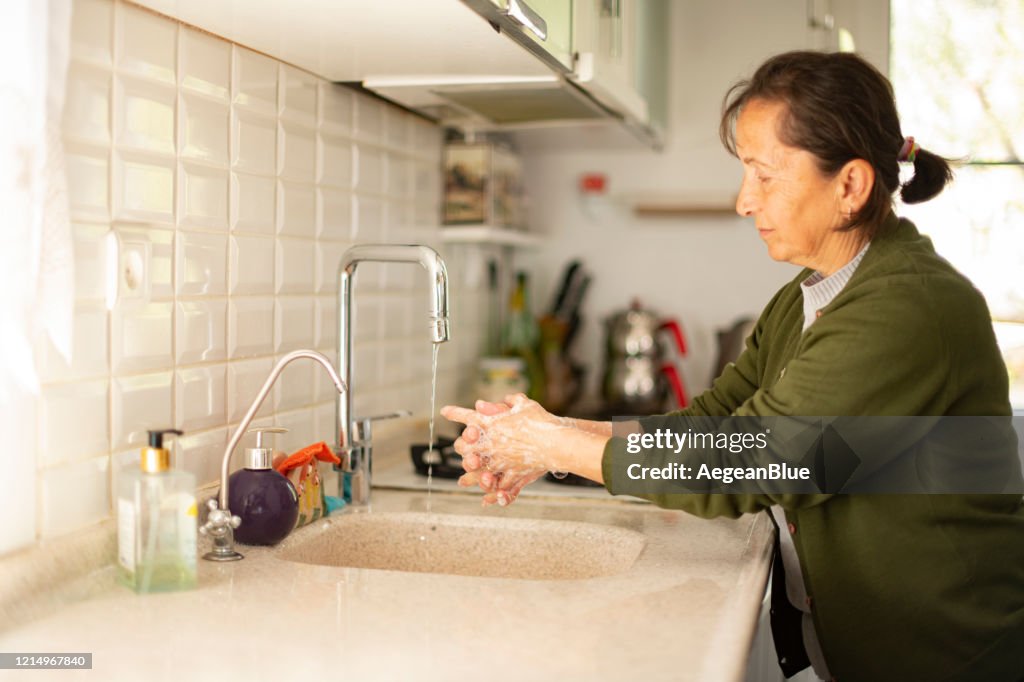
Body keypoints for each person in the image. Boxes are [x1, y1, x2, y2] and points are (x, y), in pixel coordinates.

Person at [441, 51, 1024, 681]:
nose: (745, 201)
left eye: (765, 176)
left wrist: (552, 448)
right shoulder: (810, 297)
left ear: (850, 185)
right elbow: (715, 422)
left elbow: (762, 456)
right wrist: (558, 432)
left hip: (950, 660)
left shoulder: (908, 304)